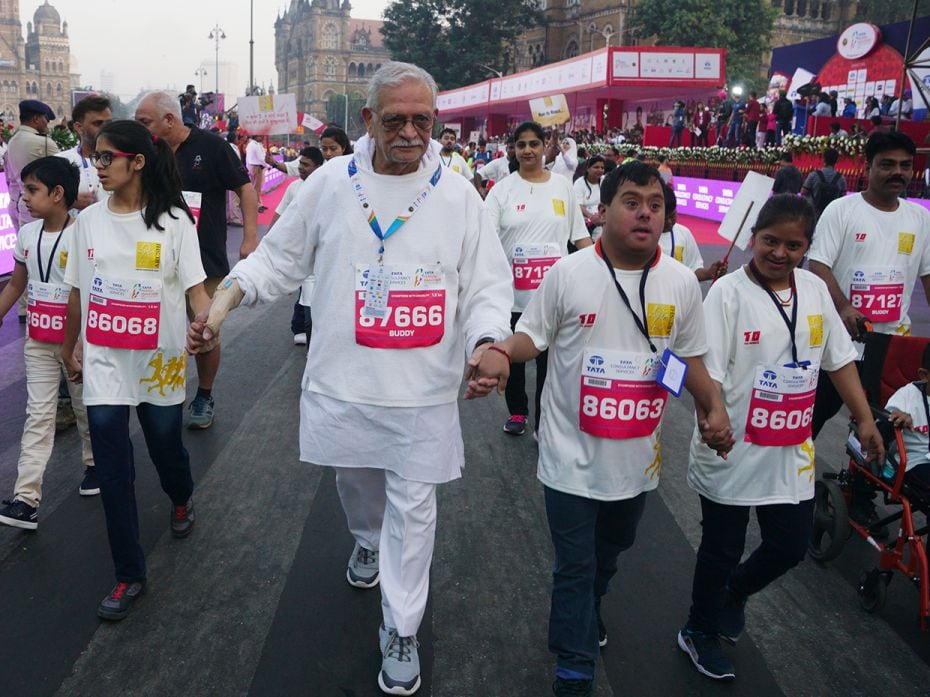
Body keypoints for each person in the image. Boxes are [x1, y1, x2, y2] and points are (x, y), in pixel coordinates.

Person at [186, 62, 513, 696]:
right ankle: (365, 540)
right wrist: (221, 305)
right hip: (345, 381)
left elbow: (487, 285)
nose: (412, 132)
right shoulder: (332, 184)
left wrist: (488, 343)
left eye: (423, 119)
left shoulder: (457, 194)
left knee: (415, 509)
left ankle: (402, 626)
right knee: (359, 486)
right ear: (368, 120)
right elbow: (277, 262)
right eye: (396, 119)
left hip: (423, 390)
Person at [470, 160, 733, 697]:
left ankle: (586, 608)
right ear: (602, 211)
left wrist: (713, 407)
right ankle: (574, 664)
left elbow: (687, 358)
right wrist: (499, 352)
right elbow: (532, 338)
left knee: (611, 551)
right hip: (568, 453)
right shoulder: (569, 273)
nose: (644, 213)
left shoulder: (681, 282)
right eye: (632, 201)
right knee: (575, 561)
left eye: (655, 205)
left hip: (637, 458)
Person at [678, 194, 883, 681]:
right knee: (721, 549)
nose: (780, 253)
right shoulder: (727, 294)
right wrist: (714, 417)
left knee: (789, 546)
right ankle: (698, 630)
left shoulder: (813, 289)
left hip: (791, 448)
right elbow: (704, 369)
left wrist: (865, 418)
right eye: (770, 241)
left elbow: (837, 359)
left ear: (807, 248)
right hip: (730, 446)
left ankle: (733, 593)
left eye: (794, 245)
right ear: (753, 239)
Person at [60, 120, 211, 620]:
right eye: (94, 157)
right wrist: (70, 345)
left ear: (137, 162)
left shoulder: (174, 220)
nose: (97, 167)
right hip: (104, 363)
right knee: (112, 467)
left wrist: (206, 323)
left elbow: (195, 290)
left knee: (165, 444)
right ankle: (128, 573)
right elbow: (77, 290)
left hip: (159, 363)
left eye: (106, 158)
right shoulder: (87, 222)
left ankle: (181, 496)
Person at [808, 131, 930, 523]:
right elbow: (818, 266)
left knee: (882, 421)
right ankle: (784, 477)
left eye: (905, 166)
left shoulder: (920, 219)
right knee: (815, 415)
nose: (897, 173)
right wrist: (843, 307)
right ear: (868, 166)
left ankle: (860, 488)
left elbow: (927, 275)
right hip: (840, 343)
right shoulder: (841, 212)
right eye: (888, 164)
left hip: (892, 343)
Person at [134, 90, 259, 429]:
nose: (140, 129)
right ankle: (162, 392)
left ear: (169, 120)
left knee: (205, 330)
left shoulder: (213, 147)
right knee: (158, 330)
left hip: (205, 259)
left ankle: (204, 394)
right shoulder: (146, 153)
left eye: (145, 122)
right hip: (155, 259)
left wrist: (249, 237)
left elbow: (245, 189)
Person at [0, 157, 96, 530]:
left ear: (58, 195)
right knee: (38, 415)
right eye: (23, 189)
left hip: (79, 342)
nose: (23, 198)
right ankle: (26, 498)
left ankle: (96, 467)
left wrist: (77, 347)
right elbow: (14, 286)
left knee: (86, 407)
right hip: (38, 340)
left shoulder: (83, 235)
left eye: (32, 190)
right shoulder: (27, 235)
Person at [486, 120, 592, 437]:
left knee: (551, 363)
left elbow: (580, 236)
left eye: (534, 144)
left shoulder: (562, 187)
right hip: (513, 295)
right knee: (516, 358)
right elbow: (486, 241)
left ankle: (544, 423)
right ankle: (518, 412)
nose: (528, 150)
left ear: (545, 146)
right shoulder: (501, 192)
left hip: (555, 296)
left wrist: (605, 268)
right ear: (513, 150)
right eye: (521, 145)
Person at [269, 145, 324, 345]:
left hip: (324, 258)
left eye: (306, 165)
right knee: (308, 304)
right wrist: (268, 242)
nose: (300, 168)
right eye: (300, 163)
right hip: (302, 256)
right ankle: (308, 341)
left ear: (318, 167)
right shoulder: (294, 188)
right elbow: (279, 214)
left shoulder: (328, 187)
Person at [884, 344, 930, 489]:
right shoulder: (908, 395)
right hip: (915, 460)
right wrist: (901, 417)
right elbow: (886, 421)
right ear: (924, 375)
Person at [56, 95, 113, 212]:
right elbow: (43, 204)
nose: (105, 128)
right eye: (98, 123)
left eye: (109, 123)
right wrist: (69, 202)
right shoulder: (60, 162)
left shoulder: (123, 161)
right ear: (79, 127)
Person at [660, 184, 725, 282]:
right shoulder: (644, 237)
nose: (669, 221)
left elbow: (693, 270)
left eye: (672, 216)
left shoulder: (684, 233)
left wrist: (709, 273)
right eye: (665, 218)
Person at [801, 147, 847, 219]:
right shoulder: (841, 178)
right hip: (831, 213)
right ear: (836, 161)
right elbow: (843, 196)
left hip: (814, 212)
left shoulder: (814, 175)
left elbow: (803, 192)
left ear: (823, 159)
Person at [574, 154, 605, 240]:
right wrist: (591, 217)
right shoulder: (579, 183)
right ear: (588, 168)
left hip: (601, 221)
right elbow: (578, 205)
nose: (600, 170)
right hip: (584, 223)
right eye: (596, 167)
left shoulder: (604, 180)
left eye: (602, 168)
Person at [243, 131, 268, 212]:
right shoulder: (254, 145)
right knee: (256, 188)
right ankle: (256, 205)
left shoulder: (253, 144)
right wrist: (268, 165)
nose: (263, 137)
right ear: (256, 136)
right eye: (261, 136)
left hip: (254, 166)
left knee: (257, 187)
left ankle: (259, 203)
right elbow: (261, 158)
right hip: (256, 167)